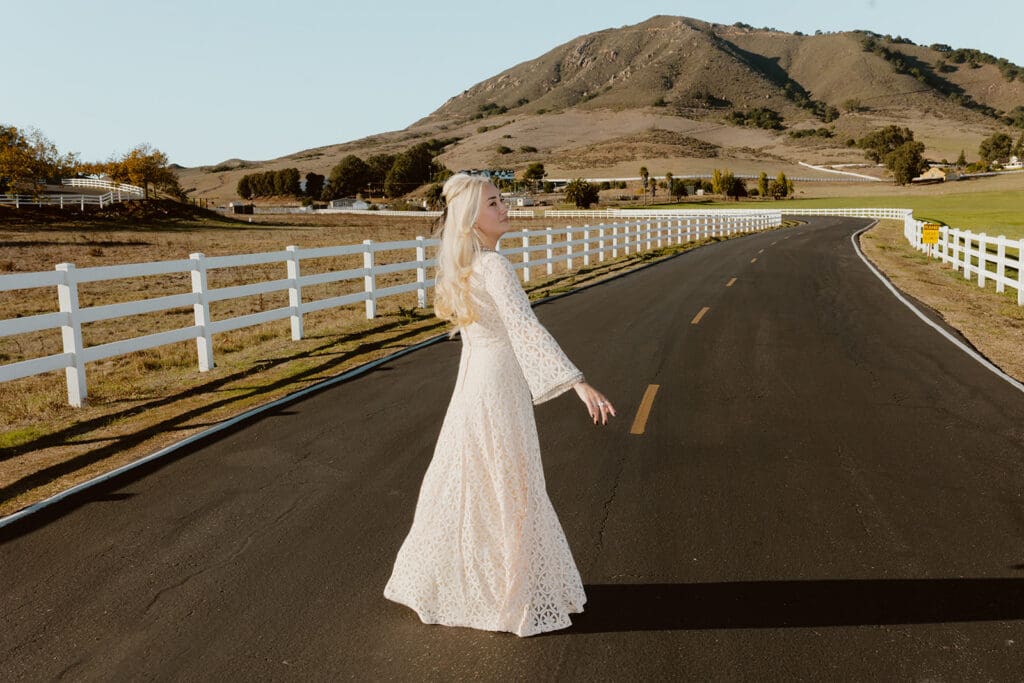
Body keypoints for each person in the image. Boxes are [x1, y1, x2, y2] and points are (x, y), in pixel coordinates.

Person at [383, 173, 616, 637]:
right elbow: (526, 329)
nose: (505, 207)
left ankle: (476, 583)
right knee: (509, 482)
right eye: (494, 202)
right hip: (497, 387)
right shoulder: (493, 266)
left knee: (473, 479)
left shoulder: (464, 266)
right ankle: (507, 591)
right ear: (471, 218)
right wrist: (578, 383)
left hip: (473, 387)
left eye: (502, 199)